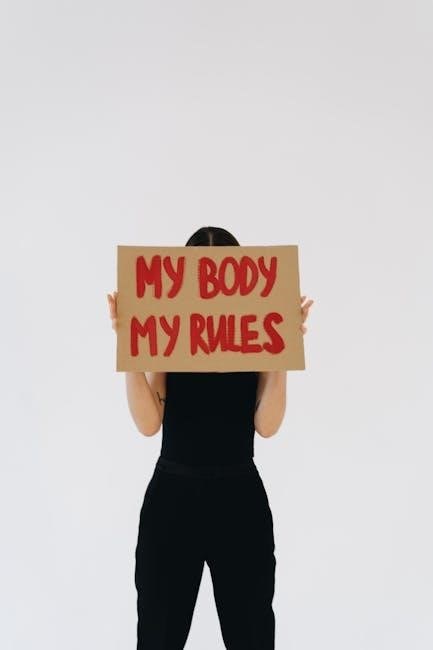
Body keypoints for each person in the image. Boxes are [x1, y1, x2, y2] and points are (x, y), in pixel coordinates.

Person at [107, 226, 314, 649]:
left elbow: (268, 425)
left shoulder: (255, 337)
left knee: (252, 636)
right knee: (158, 637)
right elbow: (148, 423)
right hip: (172, 500)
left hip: (239, 500)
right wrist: (129, 348)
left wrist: (284, 352)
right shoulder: (171, 336)